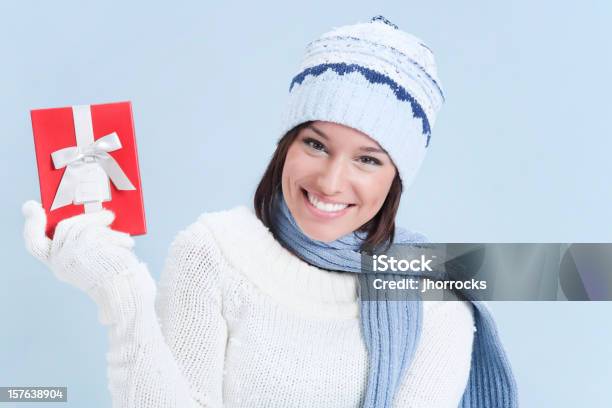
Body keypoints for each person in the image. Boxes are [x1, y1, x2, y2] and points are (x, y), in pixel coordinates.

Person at [22, 16, 516, 408]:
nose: (330, 182)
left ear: (397, 176)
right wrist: (119, 289)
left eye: (368, 159)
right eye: (316, 144)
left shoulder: (434, 297)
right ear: (286, 143)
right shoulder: (212, 252)